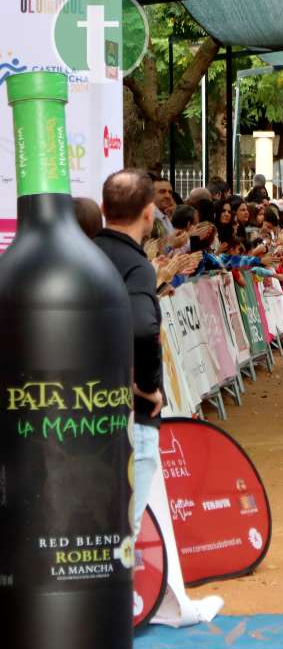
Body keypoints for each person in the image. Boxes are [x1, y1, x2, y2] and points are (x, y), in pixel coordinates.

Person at [92, 169, 163, 547]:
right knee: (126, 529)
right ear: (149, 212)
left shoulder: (85, 254)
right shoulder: (136, 267)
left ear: (104, 208)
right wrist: (149, 387)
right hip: (132, 415)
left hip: (85, 410)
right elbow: (142, 328)